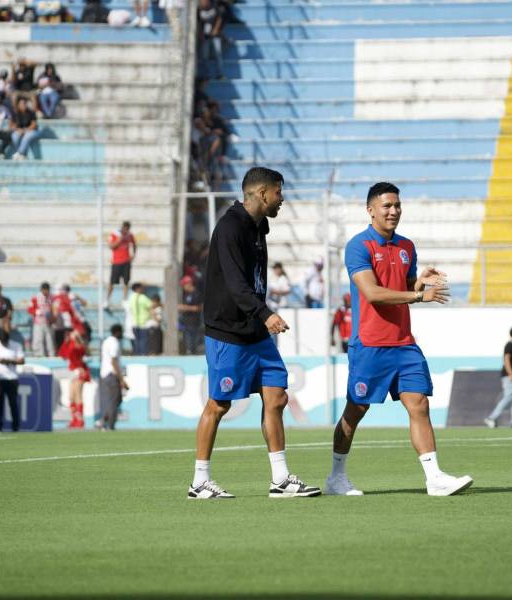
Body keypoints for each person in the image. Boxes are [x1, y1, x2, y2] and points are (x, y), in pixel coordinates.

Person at [324, 182, 470, 497]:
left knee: (418, 404)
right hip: (371, 344)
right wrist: (419, 294)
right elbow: (374, 294)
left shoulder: (407, 247)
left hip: (404, 343)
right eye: (387, 206)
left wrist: (417, 281)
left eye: (397, 206)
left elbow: (401, 285)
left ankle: (435, 478)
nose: (393, 211)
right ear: (371, 210)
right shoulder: (358, 246)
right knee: (355, 411)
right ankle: (336, 477)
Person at [190, 167, 320, 500]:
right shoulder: (230, 228)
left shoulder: (259, 225)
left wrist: (260, 316)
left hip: (255, 331)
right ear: (262, 194)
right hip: (228, 331)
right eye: (279, 191)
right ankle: (199, 481)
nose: (282, 198)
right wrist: (265, 314)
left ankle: (281, 479)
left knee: (277, 396)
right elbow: (235, 284)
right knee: (219, 405)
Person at [0, 327, 24, 433]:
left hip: (12, 378)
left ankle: (15, 427)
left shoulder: (16, 345)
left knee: (13, 403)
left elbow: (22, 360)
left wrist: (8, 361)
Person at [58, 327, 89, 429]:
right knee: (71, 396)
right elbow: (62, 355)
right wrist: (65, 343)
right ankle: (74, 419)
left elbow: (81, 351)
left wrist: (77, 338)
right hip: (72, 371)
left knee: (78, 395)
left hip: (79, 371)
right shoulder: (70, 344)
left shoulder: (78, 345)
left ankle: (80, 420)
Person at [99, 324, 128, 430]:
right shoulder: (114, 343)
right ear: (118, 332)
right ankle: (108, 424)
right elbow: (114, 361)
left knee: (110, 399)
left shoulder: (106, 341)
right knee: (114, 400)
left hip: (104, 374)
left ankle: (104, 420)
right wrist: (121, 379)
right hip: (111, 375)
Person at [107, 221, 136, 304]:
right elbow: (111, 246)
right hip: (116, 261)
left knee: (126, 281)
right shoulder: (115, 234)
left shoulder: (130, 235)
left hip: (126, 261)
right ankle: (107, 299)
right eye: (124, 228)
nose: (126, 230)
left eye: (127, 228)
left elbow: (134, 244)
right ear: (122, 227)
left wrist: (133, 254)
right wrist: (119, 239)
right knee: (112, 281)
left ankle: (124, 300)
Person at [198, 0, 224, 79]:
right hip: (205, 36)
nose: (204, 2)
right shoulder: (199, 10)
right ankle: (207, 74)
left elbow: (220, 18)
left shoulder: (214, 6)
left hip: (215, 35)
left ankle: (220, 74)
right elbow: (198, 23)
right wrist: (200, 34)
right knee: (204, 56)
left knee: (218, 54)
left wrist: (216, 29)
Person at [28, 282, 55, 356]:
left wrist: (52, 317)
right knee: (38, 339)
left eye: (47, 290)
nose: (46, 292)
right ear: (41, 290)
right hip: (38, 323)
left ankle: (51, 355)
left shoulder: (51, 297)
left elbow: (54, 309)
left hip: (48, 323)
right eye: (44, 290)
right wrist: (37, 312)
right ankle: (39, 355)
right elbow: (30, 309)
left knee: (50, 340)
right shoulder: (35, 297)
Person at [178, 275, 203, 355]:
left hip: (194, 321)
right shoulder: (186, 295)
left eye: (184, 285)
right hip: (186, 321)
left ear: (189, 284)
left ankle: (193, 352)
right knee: (187, 339)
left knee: (193, 339)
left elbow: (199, 308)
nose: (183, 287)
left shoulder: (197, 294)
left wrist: (185, 308)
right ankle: (189, 351)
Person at [128, 281, 152, 355]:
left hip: (134, 322)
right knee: (143, 340)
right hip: (143, 323)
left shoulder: (131, 297)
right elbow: (151, 305)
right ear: (138, 288)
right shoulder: (142, 297)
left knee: (137, 340)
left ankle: (137, 354)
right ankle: (143, 354)